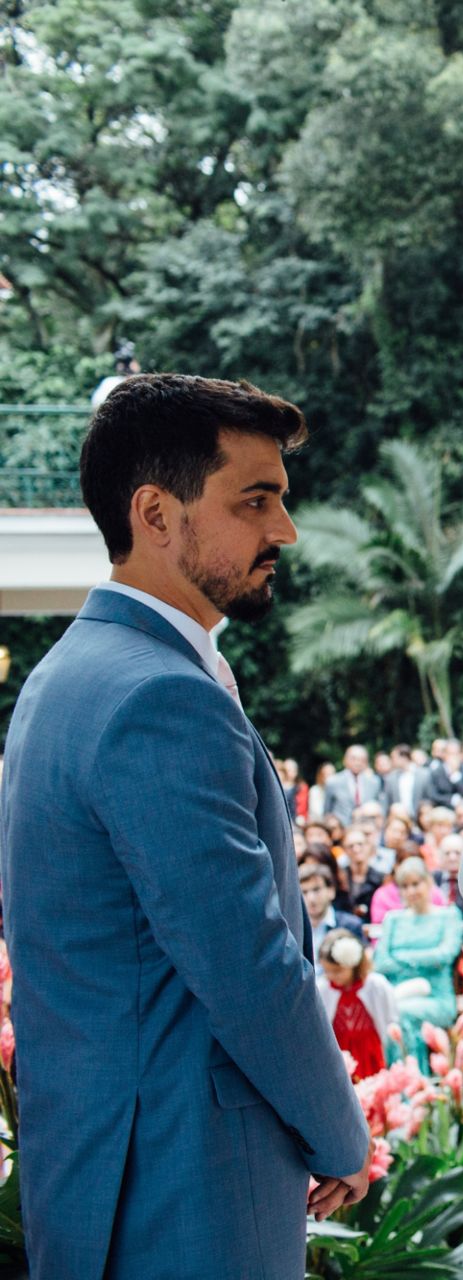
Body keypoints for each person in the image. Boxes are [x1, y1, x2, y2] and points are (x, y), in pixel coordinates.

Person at [0, 374, 370, 1276]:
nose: (283, 530)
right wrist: (341, 1135)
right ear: (155, 514)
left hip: (101, 1172)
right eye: (256, 501)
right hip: (185, 1183)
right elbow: (246, 962)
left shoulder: (63, 678)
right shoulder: (158, 694)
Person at [372, 856, 462, 1070]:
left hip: (436, 997)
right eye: (404, 886)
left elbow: (444, 955)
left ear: (428, 882)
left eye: (416, 883)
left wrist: (401, 956)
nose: (411, 890)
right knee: (391, 1011)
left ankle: (413, 1082)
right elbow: (381, 962)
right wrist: (423, 959)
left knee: (401, 1014)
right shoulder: (393, 919)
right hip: (395, 995)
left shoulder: (448, 916)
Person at [317, 929, 400, 1082]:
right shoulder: (322, 988)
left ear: (353, 964)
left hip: (370, 1049)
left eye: (337, 971)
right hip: (340, 1051)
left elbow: (390, 1017)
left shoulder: (375, 985)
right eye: (327, 971)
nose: (332, 976)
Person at [301, 858, 367, 968]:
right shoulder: (294, 929)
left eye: (316, 890)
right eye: (304, 892)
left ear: (331, 891)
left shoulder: (350, 925)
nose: (311, 898)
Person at [325, 743, 385, 822]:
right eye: (354, 759)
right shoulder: (333, 781)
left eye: (362, 760)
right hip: (342, 829)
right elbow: (327, 811)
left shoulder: (374, 782)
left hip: (367, 828)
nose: (358, 763)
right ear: (345, 760)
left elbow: (382, 807)